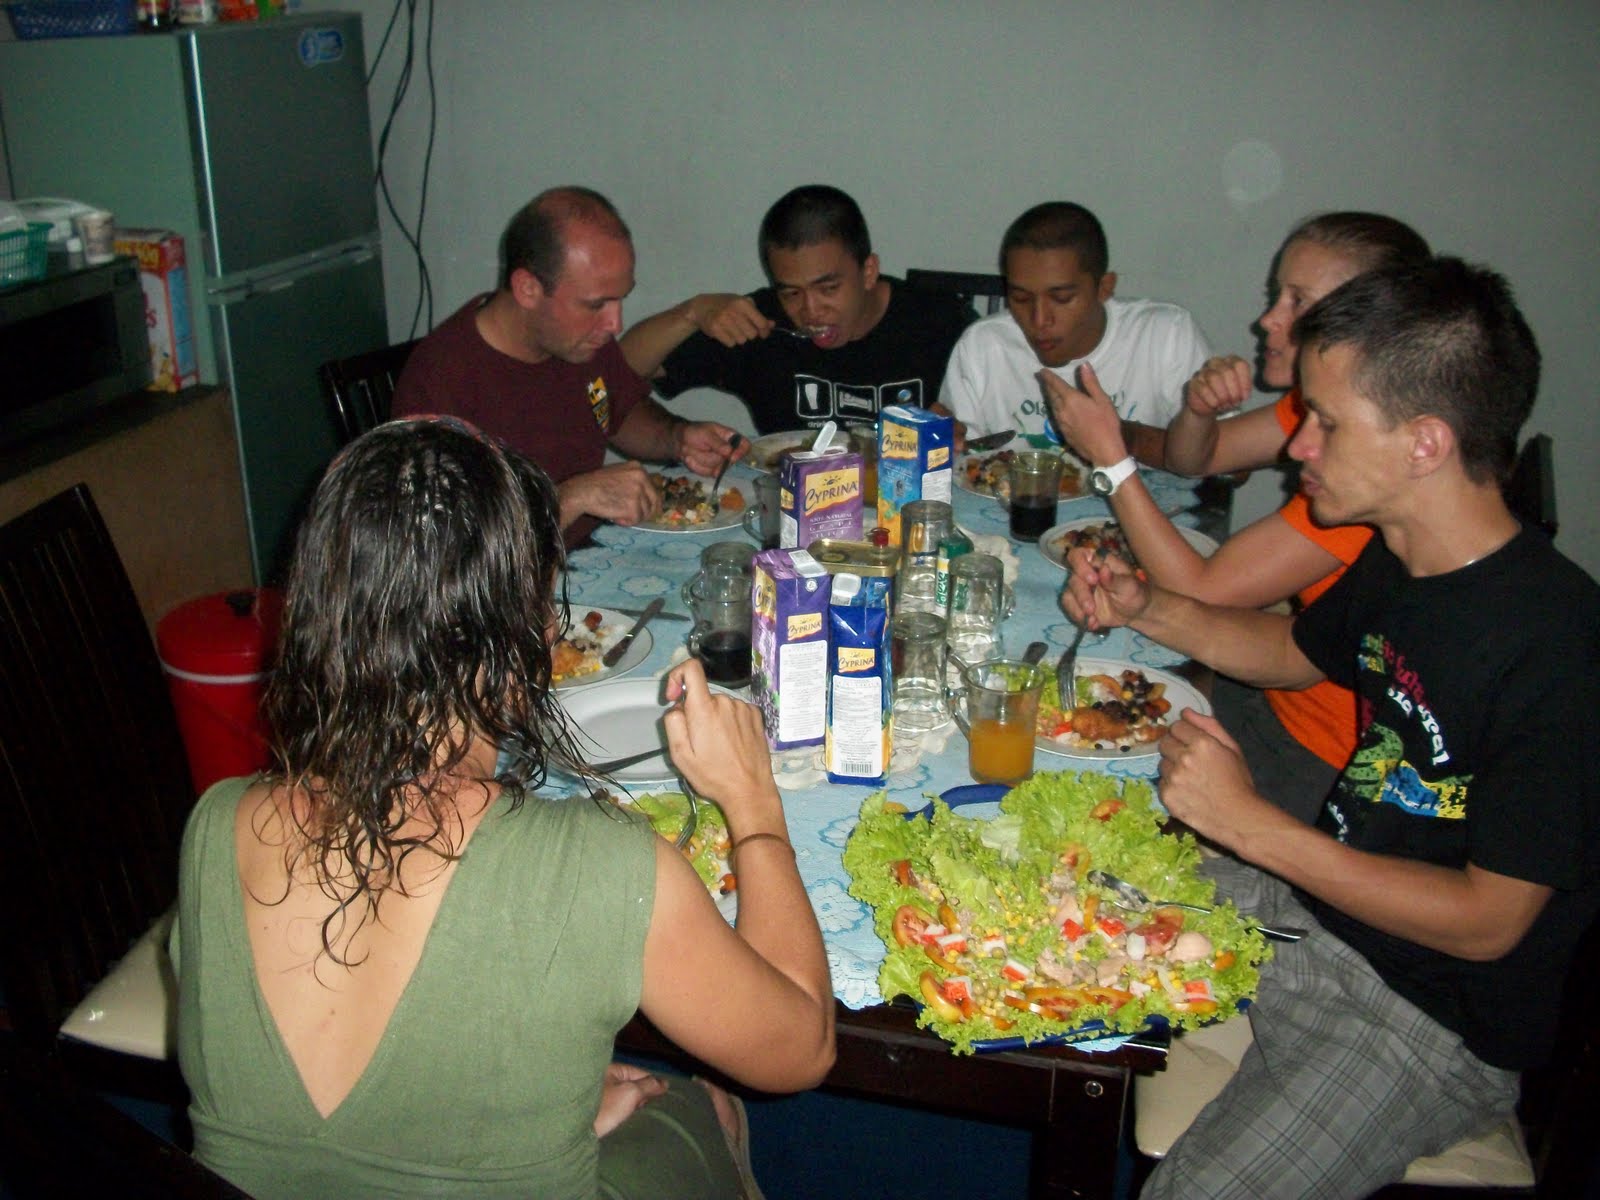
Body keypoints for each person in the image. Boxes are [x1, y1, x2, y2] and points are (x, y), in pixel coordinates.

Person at [172, 417, 835, 1199]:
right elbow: (801, 1049)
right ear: (524, 636)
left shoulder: (216, 822)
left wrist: (541, 1110)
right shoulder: (604, 867)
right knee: (706, 1104)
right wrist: (754, 805)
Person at [1061, 257, 1600, 1199]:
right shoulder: (1402, 551)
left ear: (1425, 443)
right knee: (1047, 876)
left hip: (1424, 1019)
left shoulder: (1559, 649)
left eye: (1328, 422)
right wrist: (1148, 608)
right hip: (1311, 914)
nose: (1298, 445)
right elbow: (1291, 652)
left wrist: (1248, 825)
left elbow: (1488, 925)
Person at [1041, 212, 1431, 822]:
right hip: (1265, 698)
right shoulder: (1317, 411)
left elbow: (1204, 590)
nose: (1268, 319)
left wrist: (1112, 461)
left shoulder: (1367, 484)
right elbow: (1197, 459)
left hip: (1316, 761)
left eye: (1298, 301)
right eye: (1278, 296)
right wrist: (1197, 412)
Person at [394, 187, 746, 546]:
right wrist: (572, 498)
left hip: (591, 553)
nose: (615, 324)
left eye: (620, 299)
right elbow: (445, 548)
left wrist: (677, 437)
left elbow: (616, 411)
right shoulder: (440, 381)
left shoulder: (579, 344)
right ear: (528, 289)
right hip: (517, 574)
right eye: (595, 305)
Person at [620, 184, 974, 434]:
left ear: (868, 272)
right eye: (791, 292)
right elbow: (616, 373)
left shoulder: (938, 321)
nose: (810, 310)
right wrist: (691, 313)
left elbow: (995, 428)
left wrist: (964, 432)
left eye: (828, 288)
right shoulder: (762, 323)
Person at [939, 201, 1211, 459]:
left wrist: (1120, 437)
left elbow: (1223, 460)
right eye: (1020, 298)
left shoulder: (1165, 335)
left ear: (1104, 288)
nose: (1039, 319)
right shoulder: (984, 345)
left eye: (1062, 298)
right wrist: (938, 442)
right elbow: (953, 449)